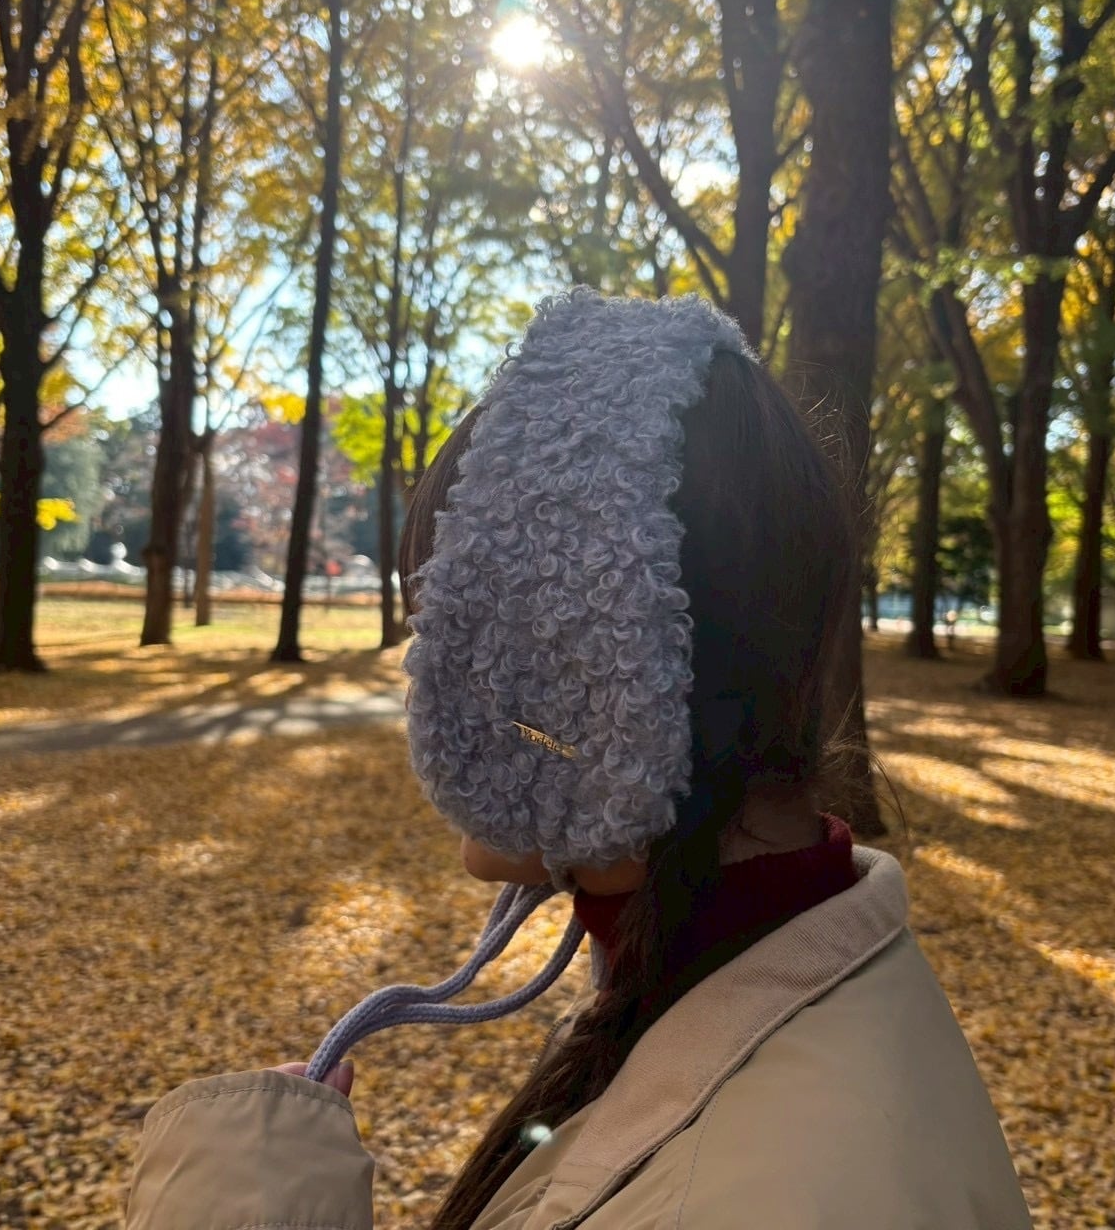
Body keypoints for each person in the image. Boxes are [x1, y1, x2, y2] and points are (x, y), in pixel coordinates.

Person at [127, 292, 1032, 1229]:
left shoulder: (745, 1192)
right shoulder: (757, 982)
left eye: (454, 649)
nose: (425, 692)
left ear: (586, 685)